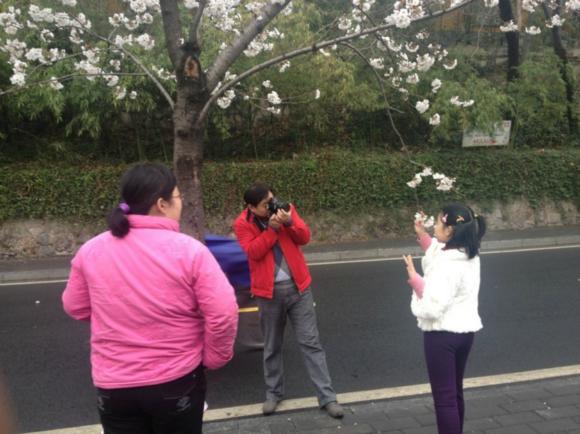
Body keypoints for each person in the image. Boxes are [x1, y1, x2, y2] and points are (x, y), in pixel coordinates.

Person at [62, 163, 238, 434]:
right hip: (176, 380)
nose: (181, 203)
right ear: (161, 204)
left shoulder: (91, 250)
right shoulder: (190, 251)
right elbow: (223, 311)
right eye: (178, 197)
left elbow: (74, 306)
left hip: (114, 386)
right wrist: (214, 357)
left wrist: (118, 315)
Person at [233, 183, 344, 419]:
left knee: (311, 343)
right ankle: (274, 394)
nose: (272, 205)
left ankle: (328, 398)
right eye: (265, 204)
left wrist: (289, 222)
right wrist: (271, 230)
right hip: (268, 293)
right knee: (272, 346)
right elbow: (253, 252)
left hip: (299, 289)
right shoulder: (242, 224)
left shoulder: (286, 210)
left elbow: (304, 237)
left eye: (272, 199)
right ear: (251, 207)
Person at [403, 203, 486, 434]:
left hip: (442, 335)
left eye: (439, 222)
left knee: (444, 400)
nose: (435, 225)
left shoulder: (447, 266)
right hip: (464, 334)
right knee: (454, 393)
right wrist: (423, 236)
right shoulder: (468, 252)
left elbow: (431, 307)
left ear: (450, 230)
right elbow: (438, 252)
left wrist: (415, 280)